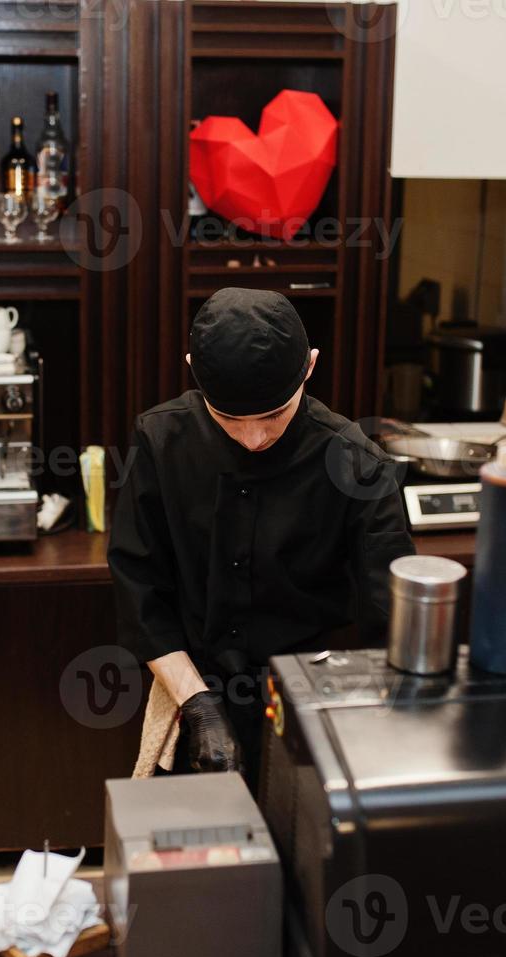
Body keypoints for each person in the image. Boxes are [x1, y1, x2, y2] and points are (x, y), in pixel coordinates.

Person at [109, 287, 414, 784]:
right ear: (192, 367)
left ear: (310, 367)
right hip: (193, 690)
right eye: (229, 418)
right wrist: (201, 706)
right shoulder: (161, 442)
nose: (253, 439)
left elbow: (391, 619)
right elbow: (139, 590)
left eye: (273, 415)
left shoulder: (356, 464)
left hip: (314, 701)